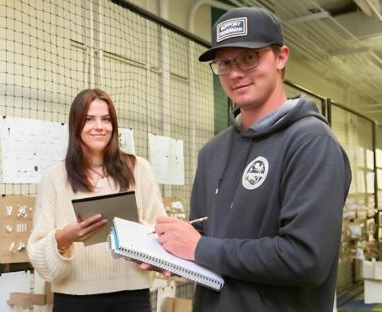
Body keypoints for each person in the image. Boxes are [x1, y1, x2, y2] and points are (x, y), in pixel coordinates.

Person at [149, 7, 352, 312]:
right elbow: (206, 238)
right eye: (225, 63)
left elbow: (306, 259)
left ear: (281, 57)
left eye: (249, 58)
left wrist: (200, 247)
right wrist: (168, 252)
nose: (235, 73)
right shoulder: (211, 152)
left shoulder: (312, 143)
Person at [27, 88, 165, 312]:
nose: (99, 126)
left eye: (106, 119)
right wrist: (64, 238)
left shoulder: (139, 169)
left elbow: (161, 231)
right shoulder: (54, 177)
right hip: (73, 299)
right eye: (89, 119)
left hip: (132, 296)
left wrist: (138, 232)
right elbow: (37, 253)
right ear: (76, 125)